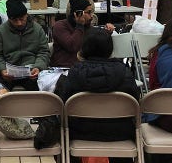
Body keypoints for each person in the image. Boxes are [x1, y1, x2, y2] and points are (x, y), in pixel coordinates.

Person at [55, 29, 139, 163]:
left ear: (83, 50)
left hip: (80, 133)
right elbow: (136, 103)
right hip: (120, 134)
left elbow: (61, 107)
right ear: (110, 50)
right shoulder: (125, 74)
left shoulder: (73, 74)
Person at [0, 0, 49, 91]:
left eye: (22, 19)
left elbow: (43, 51)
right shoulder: (0, 31)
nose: (19, 23)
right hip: (9, 71)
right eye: (14, 20)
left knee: (43, 87)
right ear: (9, 18)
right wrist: (2, 70)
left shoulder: (37, 29)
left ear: (26, 15)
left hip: (31, 70)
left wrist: (38, 67)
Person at [50, 0, 100, 67]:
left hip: (84, 68)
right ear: (79, 14)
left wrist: (106, 34)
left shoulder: (87, 27)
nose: (92, 16)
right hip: (63, 68)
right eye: (89, 12)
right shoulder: (60, 26)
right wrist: (79, 25)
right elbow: (72, 47)